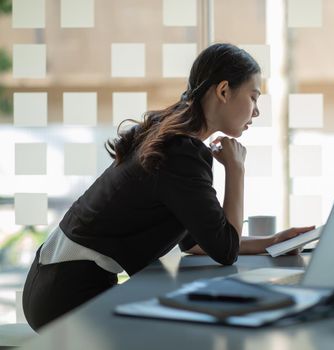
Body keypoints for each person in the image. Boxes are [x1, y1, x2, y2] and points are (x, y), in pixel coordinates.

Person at [22, 43, 314, 331]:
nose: (257, 112)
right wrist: (236, 170)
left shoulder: (171, 137)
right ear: (224, 91)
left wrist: (270, 242)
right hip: (67, 294)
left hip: (55, 281)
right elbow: (225, 250)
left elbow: (196, 242)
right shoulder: (182, 152)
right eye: (253, 97)